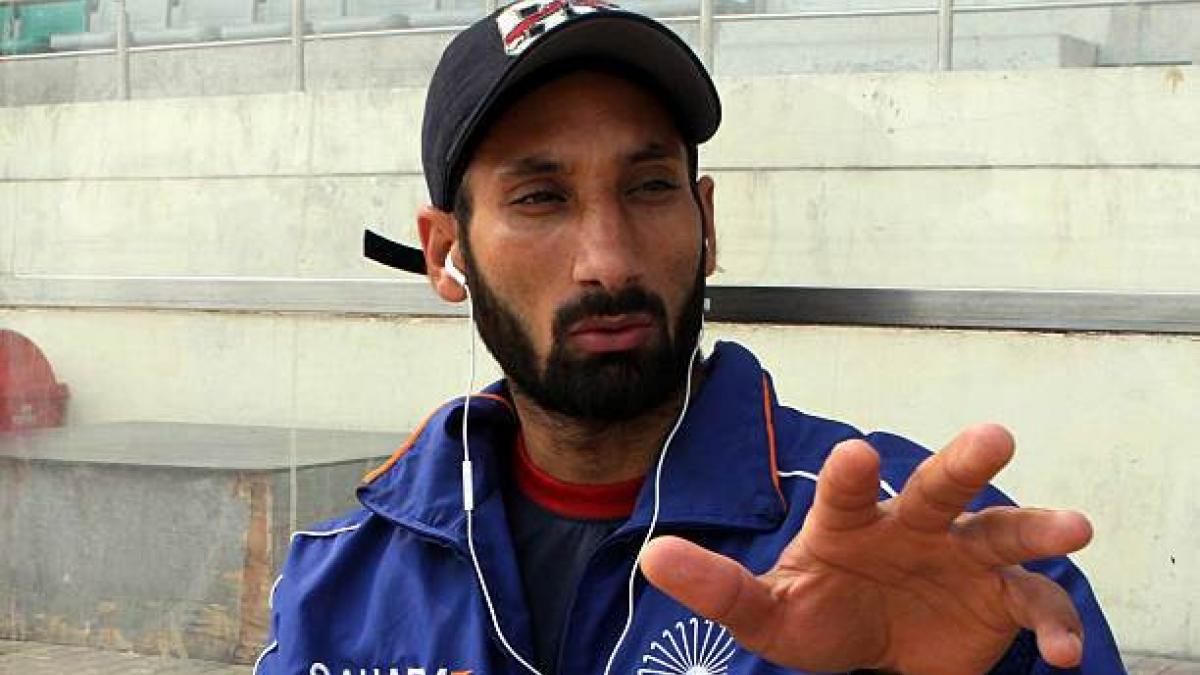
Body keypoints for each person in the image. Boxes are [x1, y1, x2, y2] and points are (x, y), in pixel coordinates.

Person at [256, 2, 1124, 673]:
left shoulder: (927, 542)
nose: (608, 260)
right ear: (447, 254)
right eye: (541, 198)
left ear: (705, 224)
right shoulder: (342, 576)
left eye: (649, 187)